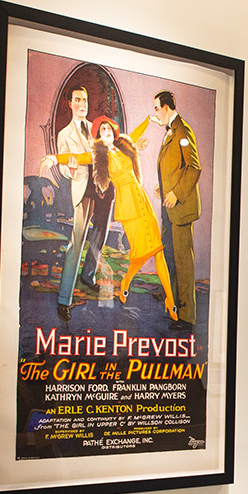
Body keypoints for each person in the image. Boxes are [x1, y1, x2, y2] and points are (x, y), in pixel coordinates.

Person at [38, 85, 112, 322]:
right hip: (83, 192)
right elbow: (62, 167)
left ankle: (88, 276)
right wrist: (69, 168)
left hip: (103, 190)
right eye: (78, 100)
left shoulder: (95, 128)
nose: (82, 104)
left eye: (85, 100)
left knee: (101, 234)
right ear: (70, 103)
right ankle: (64, 299)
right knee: (77, 243)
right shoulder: (64, 134)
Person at [89, 116, 175, 318]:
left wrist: (147, 120)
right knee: (142, 252)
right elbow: (80, 156)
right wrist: (55, 159)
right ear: (99, 136)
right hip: (128, 208)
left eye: (108, 127)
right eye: (102, 129)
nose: (106, 130)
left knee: (157, 249)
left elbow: (134, 135)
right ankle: (126, 281)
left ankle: (170, 301)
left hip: (142, 200)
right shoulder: (99, 155)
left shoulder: (123, 146)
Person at [145, 91, 201, 328]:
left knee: (182, 261)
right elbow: (174, 167)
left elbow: (193, 168)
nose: (155, 112)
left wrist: (176, 193)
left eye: (157, 108)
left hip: (180, 208)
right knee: (168, 254)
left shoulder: (182, 131)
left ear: (166, 108)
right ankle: (171, 293)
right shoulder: (171, 131)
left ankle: (187, 317)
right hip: (169, 208)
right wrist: (163, 186)